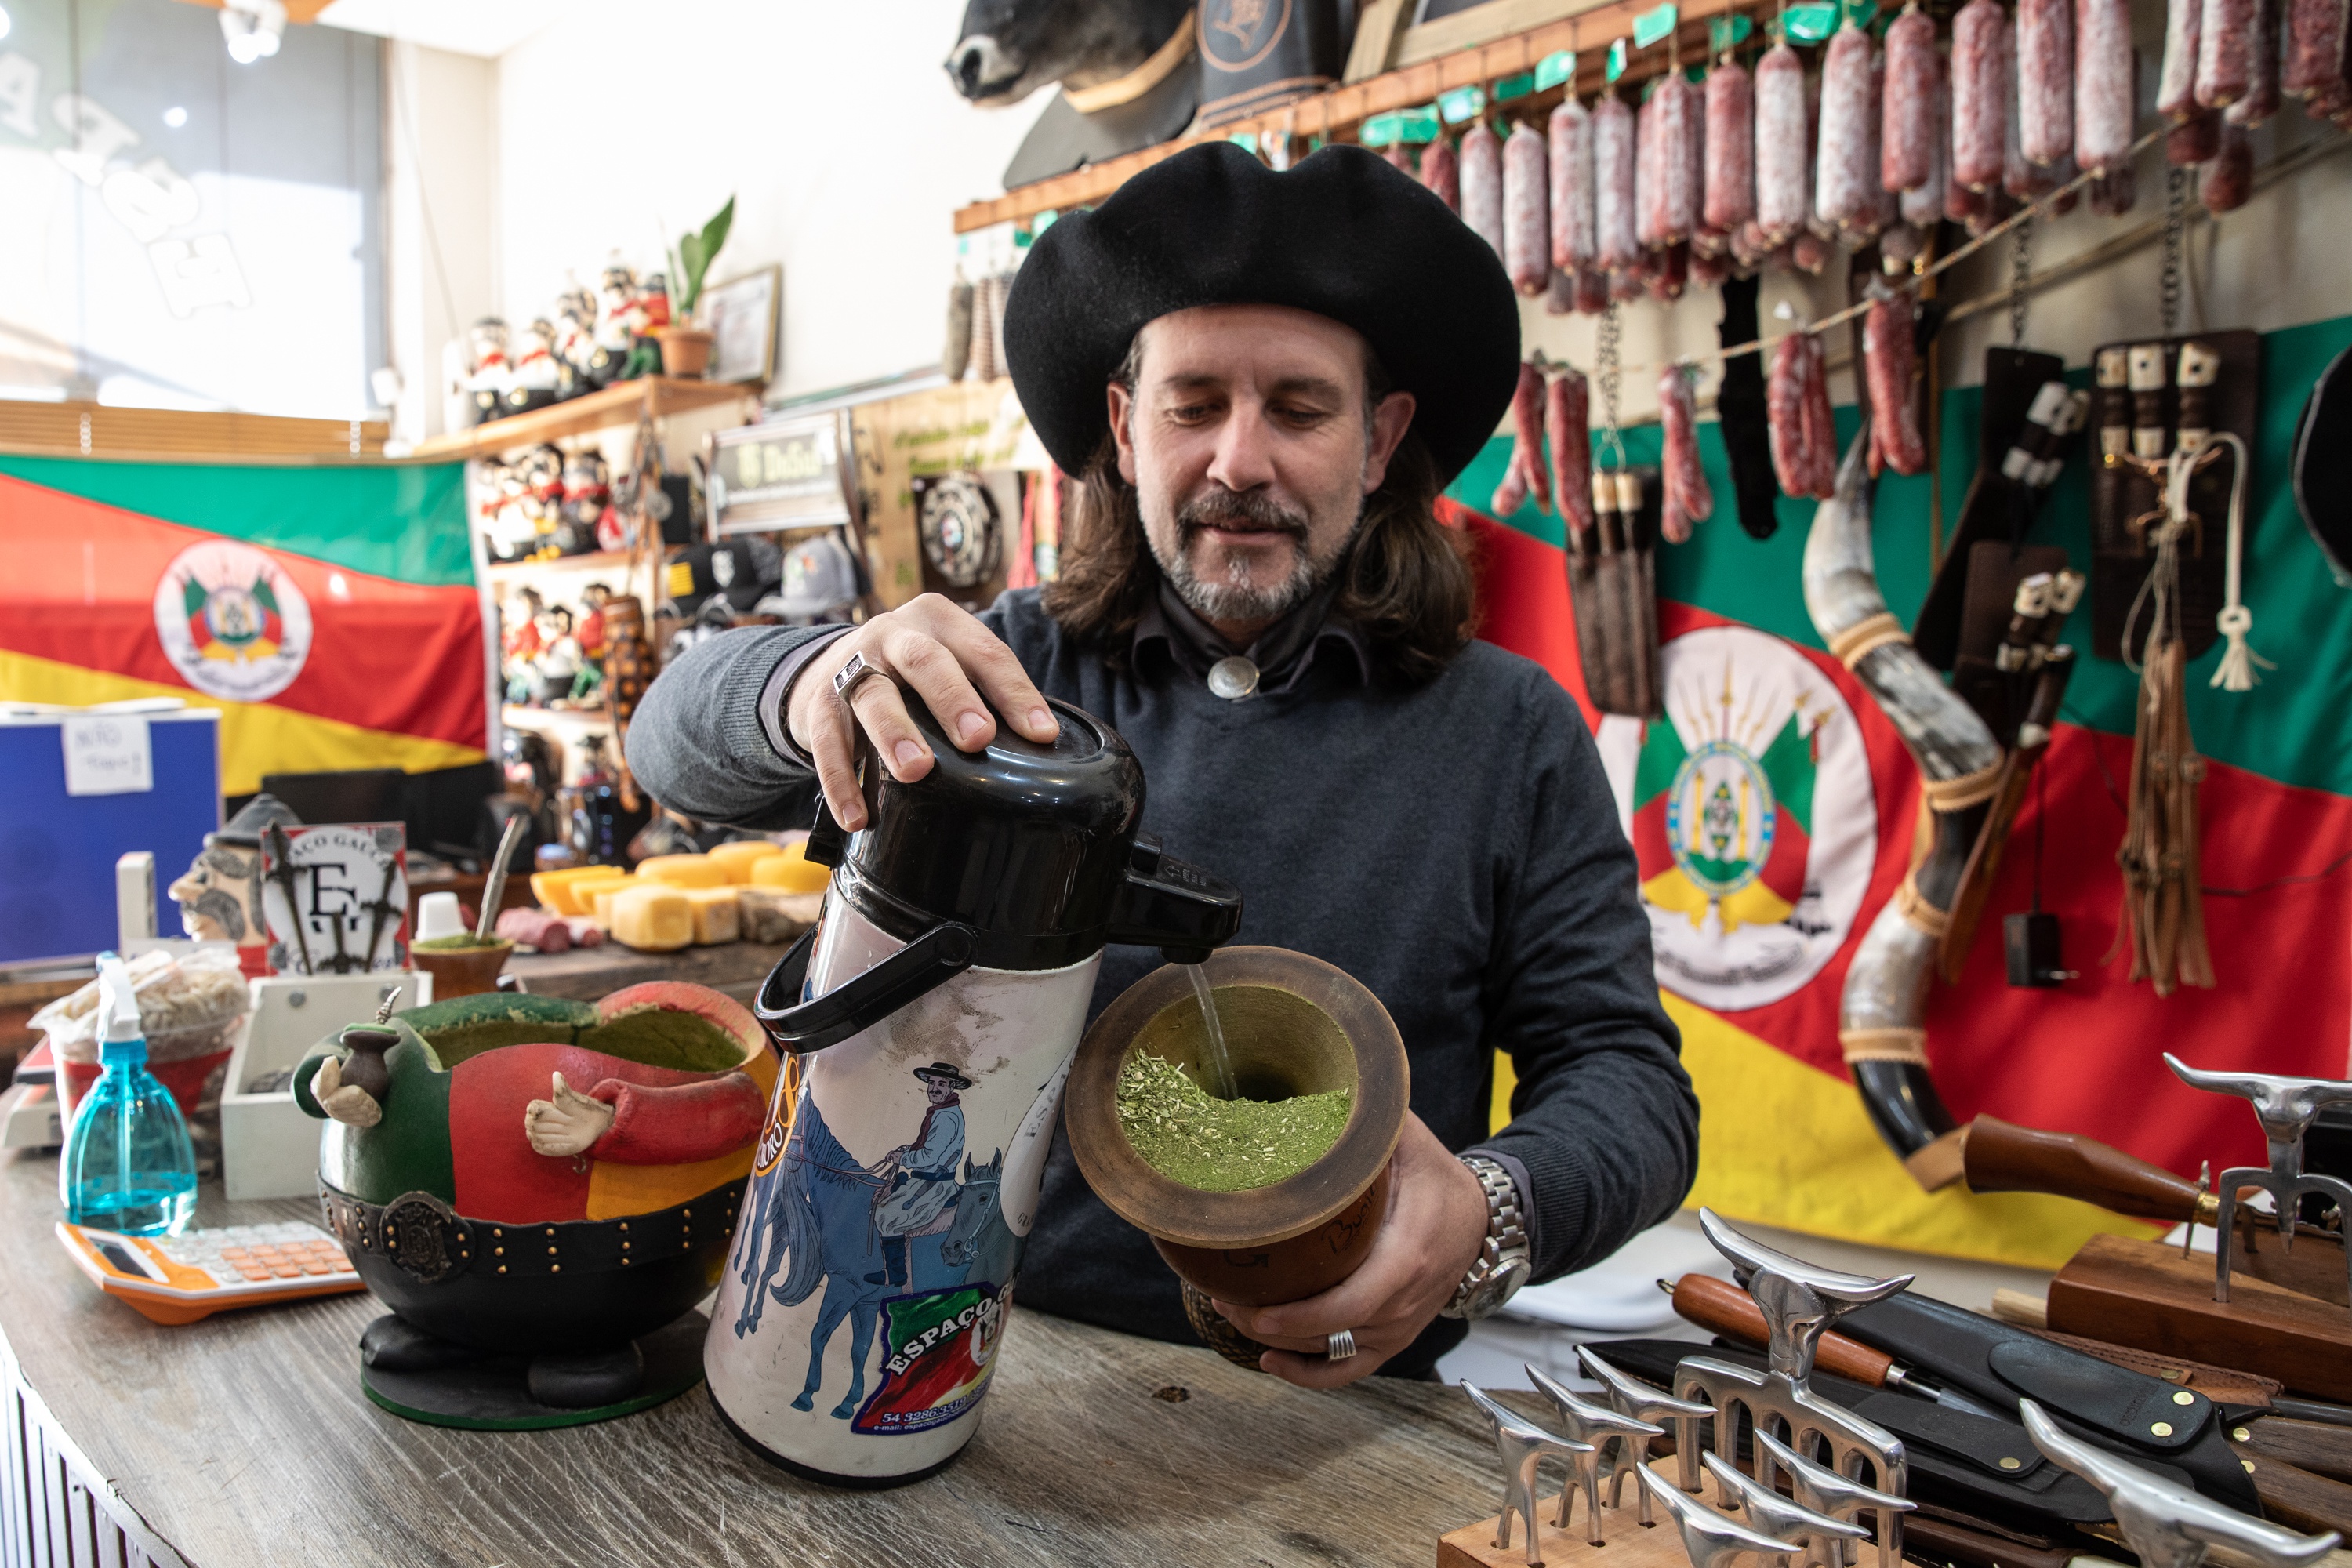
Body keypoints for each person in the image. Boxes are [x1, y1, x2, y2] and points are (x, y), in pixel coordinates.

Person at [628, 142, 1697, 1385]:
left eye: (1299, 407)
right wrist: (807, 683)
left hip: (1338, 1425)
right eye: (1195, 404)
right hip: (946, 1368)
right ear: (1127, 432)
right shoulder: (988, 685)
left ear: (1380, 438)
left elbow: (1628, 1085)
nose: (1240, 461)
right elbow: (669, 741)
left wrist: (1490, 1213)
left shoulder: (1511, 732)